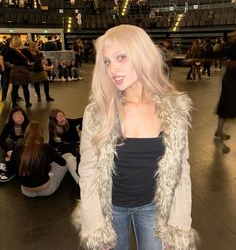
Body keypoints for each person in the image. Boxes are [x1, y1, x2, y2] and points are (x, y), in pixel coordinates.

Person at [72, 25, 199, 250]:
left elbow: (181, 170)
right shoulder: (98, 111)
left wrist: (177, 226)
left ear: (143, 55)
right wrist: (95, 226)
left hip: (153, 207)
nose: (112, 69)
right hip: (109, 209)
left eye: (121, 57)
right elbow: (89, 171)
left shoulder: (174, 109)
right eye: (107, 61)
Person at [214, 31, 236, 153]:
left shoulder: (230, 46)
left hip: (231, 78)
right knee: (227, 107)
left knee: (227, 107)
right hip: (231, 79)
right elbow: (224, 59)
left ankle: (219, 131)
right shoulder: (232, 46)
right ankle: (220, 137)